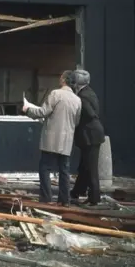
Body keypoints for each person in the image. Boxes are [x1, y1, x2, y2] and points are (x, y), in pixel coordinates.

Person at [23, 70, 81, 206]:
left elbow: (43, 112)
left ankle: (46, 198)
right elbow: (76, 121)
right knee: (64, 171)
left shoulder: (56, 94)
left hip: (51, 139)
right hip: (66, 140)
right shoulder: (77, 100)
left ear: (63, 80)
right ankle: (64, 200)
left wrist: (27, 110)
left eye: (60, 76)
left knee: (45, 168)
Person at [70, 70, 105, 205]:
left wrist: (78, 119)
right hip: (93, 134)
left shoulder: (82, 96)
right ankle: (77, 192)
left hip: (90, 135)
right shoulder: (89, 91)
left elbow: (90, 114)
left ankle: (95, 198)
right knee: (84, 166)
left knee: (91, 168)